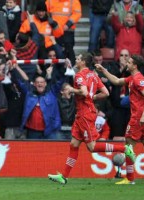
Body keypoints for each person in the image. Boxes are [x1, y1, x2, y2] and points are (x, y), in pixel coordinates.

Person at [48, 53, 136, 184]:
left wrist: (72, 89)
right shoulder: (94, 75)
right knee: (73, 144)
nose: (76, 60)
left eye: (78, 59)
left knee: (92, 147)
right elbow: (106, 92)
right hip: (83, 113)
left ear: (83, 62)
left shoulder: (79, 76)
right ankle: (64, 176)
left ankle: (124, 149)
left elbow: (83, 92)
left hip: (84, 114)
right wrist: (93, 97)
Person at [95, 54, 144, 184]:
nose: (127, 63)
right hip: (143, 116)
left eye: (130, 62)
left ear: (135, 65)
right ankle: (129, 178)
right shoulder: (132, 78)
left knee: (128, 146)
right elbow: (116, 81)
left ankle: (130, 179)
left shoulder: (138, 79)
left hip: (139, 117)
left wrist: (143, 115)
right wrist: (104, 70)